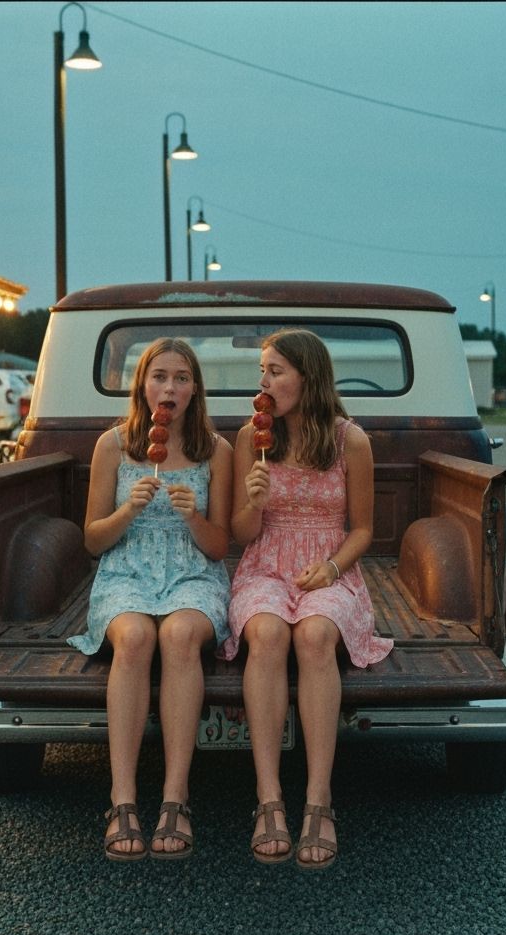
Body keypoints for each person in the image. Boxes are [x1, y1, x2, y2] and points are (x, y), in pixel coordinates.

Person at [223, 328, 393, 870]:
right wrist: (253, 503)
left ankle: (319, 801)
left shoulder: (350, 441)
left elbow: (363, 529)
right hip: (265, 563)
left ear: (308, 376)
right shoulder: (252, 437)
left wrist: (332, 567)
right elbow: (241, 534)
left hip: (330, 567)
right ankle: (269, 799)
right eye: (262, 372)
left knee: (316, 636)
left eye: (275, 372)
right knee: (268, 633)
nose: (263, 383)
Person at [67, 338, 233, 862]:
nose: (170, 387)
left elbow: (219, 546)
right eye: (159, 376)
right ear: (142, 385)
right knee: (136, 637)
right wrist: (127, 511)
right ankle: (122, 800)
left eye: (181, 378)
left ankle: (175, 799)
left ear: (194, 389)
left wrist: (193, 515)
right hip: (126, 570)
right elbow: (93, 540)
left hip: (193, 571)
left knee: (180, 635)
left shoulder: (217, 450)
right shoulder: (113, 445)